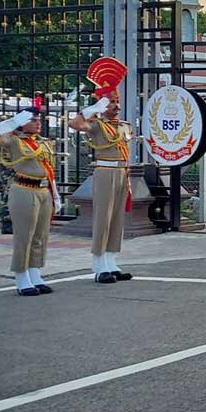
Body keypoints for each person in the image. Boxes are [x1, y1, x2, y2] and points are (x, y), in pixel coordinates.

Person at [69, 63, 137, 281]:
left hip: (121, 173)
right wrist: (94, 109)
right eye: (111, 102)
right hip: (105, 172)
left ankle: (111, 260)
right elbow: (75, 123)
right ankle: (99, 265)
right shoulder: (97, 124)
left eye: (117, 101)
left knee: (117, 218)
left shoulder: (124, 126)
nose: (115, 106)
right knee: (103, 218)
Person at [0, 99, 59, 296]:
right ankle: (21, 277)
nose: (38, 123)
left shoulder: (43, 142)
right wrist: (12, 122)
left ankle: (35, 273)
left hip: (43, 190)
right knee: (24, 236)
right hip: (24, 189)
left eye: (39, 119)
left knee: (40, 236)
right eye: (33, 120)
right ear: (23, 122)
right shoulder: (13, 139)